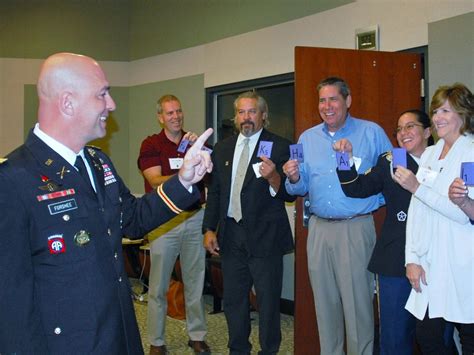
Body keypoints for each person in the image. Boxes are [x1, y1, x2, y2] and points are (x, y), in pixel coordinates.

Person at [0, 52, 213, 355]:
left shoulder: (98, 162)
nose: (111, 104)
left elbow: (133, 218)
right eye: (102, 94)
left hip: (118, 333)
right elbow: (11, 306)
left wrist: (184, 181)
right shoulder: (12, 180)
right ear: (67, 102)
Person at [283, 77, 392, 355]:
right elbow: (300, 186)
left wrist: (380, 199)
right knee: (325, 305)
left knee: (358, 309)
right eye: (322, 100)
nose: (327, 106)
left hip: (355, 229)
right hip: (318, 229)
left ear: (348, 100)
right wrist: (293, 177)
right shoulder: (306, 138)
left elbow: (395, 170)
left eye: (333, 99)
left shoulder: (372, 132)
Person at [202, 91, 295, 355]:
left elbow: (291, 192)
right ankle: (238, 349)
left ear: (263, 115)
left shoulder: (281, 146)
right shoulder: (223, 148)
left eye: (252, 111)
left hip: (266, 237)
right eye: (241, 112)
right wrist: (209, 228)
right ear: (235, 117)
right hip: (232, 235)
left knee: (267, 303)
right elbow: (217, 192)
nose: (246, 117)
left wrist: (274, 177)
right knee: (233, 300)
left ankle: (269, 350)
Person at [334, 110, 432, 354]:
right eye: (399, 129)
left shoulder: (443, 160)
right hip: (395, 259)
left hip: (437, 258)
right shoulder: (392, 160)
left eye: (410, 127)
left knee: (435, 336)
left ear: (428, 131)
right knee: (394, 335)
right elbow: (356, 188)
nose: (403, 134)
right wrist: (343, 159)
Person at [394, 83, 474, 354]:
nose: (437, 117)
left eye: (445, 111)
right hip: (429, 264)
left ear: (463, 114)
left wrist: (417, 188)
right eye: (435, 110)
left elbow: (462, 214)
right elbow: (416, 213)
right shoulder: (429, 154)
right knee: (427, 337)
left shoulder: (471, 153)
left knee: (469, 338)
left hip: (463, 263)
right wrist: (411, 259)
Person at [137, 94, 209, 355]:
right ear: (160, 117)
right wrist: (183, 173)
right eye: (169, 113)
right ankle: (156, 341)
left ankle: (197, 335)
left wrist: (199, 152)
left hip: (194, 217)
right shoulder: (151, 144)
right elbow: (155, 179)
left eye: (178, 111)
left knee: (195, 280)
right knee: (158, 286)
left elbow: (208, 174)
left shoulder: (194, 143)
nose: (176, 116)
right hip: (164, 222)